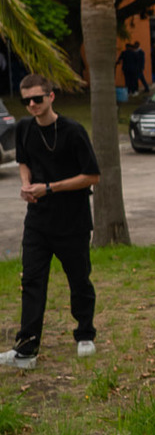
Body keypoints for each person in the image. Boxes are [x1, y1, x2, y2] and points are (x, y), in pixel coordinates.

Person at [0, 75, 100, 371]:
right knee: (31, 281)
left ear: (51, 97)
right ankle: (26, 349)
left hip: (73, 220)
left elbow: (92, 176)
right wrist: (26, 183)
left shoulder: (73, 131)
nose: (31, 105)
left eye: (37, 99)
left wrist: (50, 187)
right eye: (26, 100)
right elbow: (23, 161)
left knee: (79, 279)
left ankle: (85, 333)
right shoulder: (23, 128)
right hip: (38, 221)